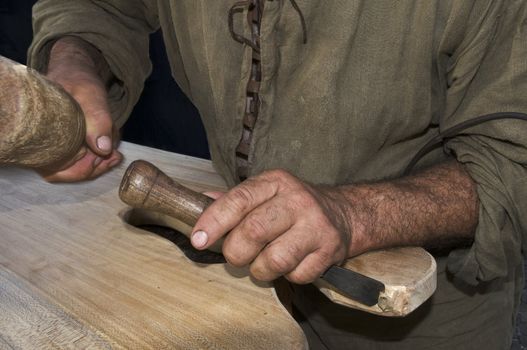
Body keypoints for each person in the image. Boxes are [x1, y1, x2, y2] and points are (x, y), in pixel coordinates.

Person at [28, 1, 527, 349]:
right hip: (233, 288)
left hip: (418, 311)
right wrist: (75, 64)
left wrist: (356, 214)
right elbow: (102, 5)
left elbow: (514, 161)